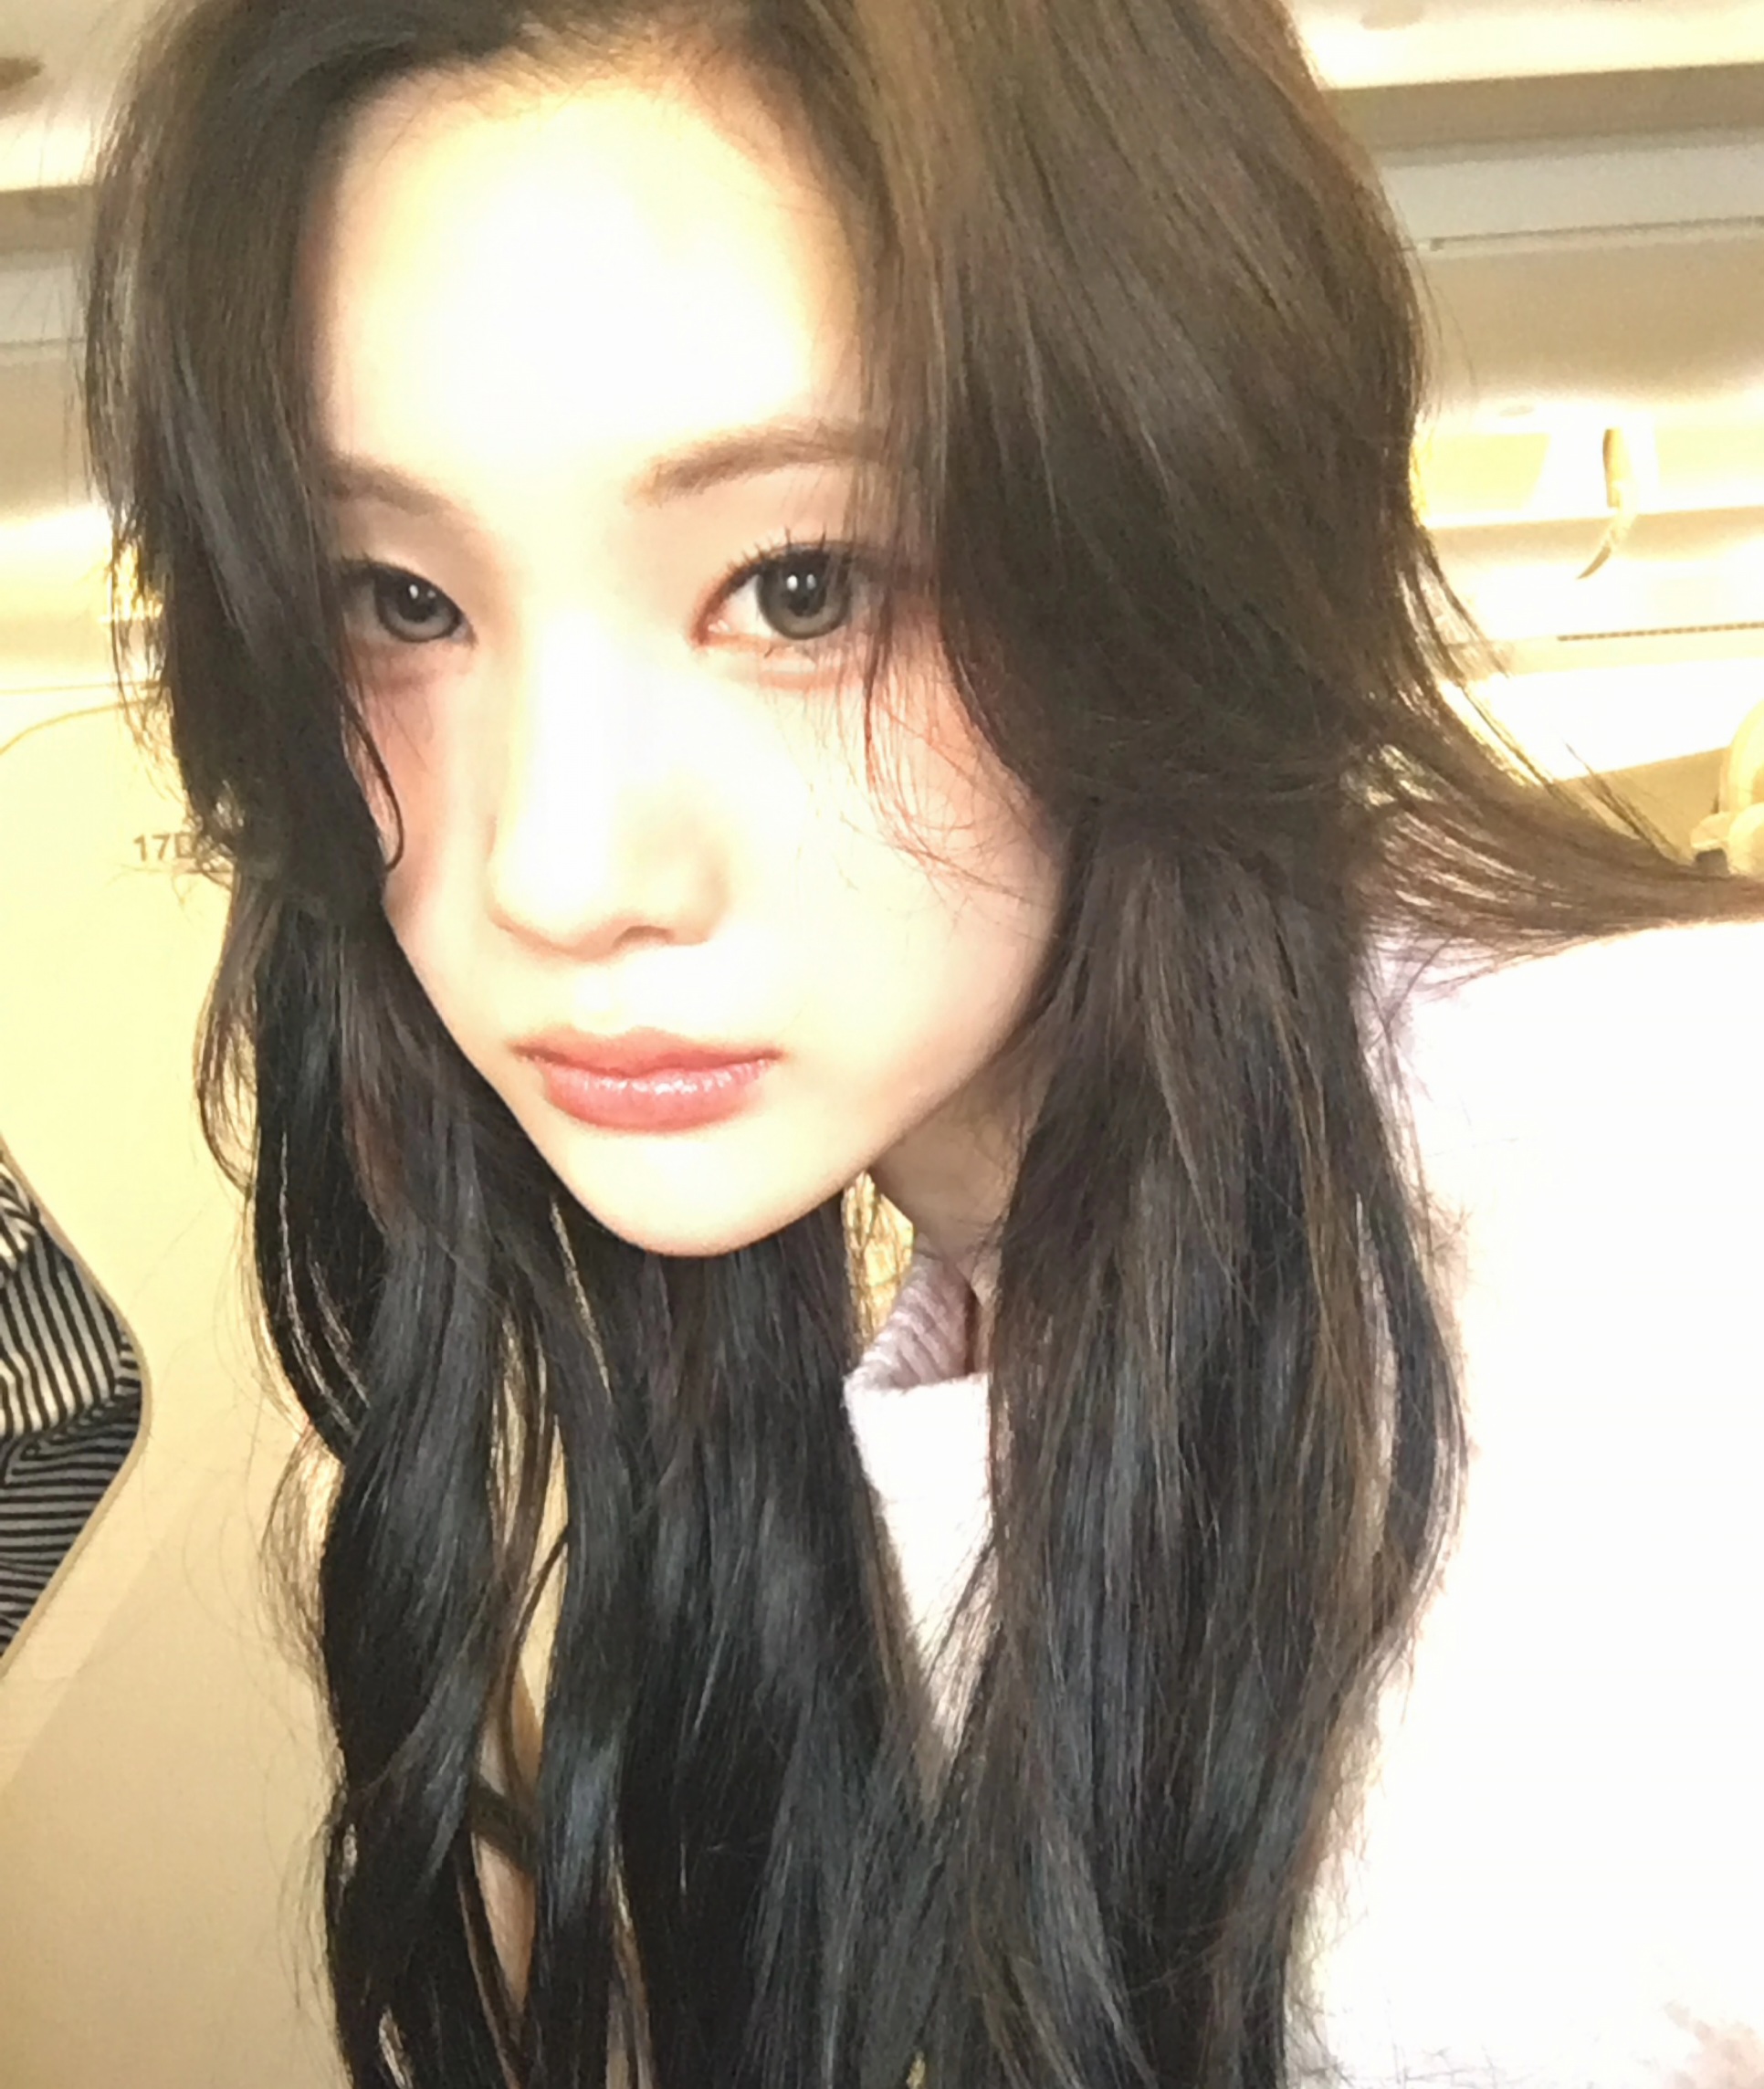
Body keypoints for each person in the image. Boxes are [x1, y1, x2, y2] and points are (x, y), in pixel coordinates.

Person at [79, 1, 1764, 2084]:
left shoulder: (1672, 1212)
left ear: (1161, 531)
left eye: (800, 585)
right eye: (399, 603)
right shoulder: (918, 1336)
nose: (557, 869)